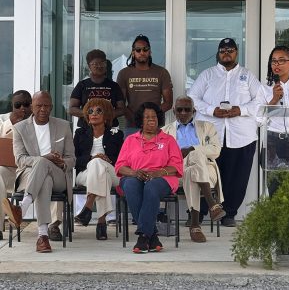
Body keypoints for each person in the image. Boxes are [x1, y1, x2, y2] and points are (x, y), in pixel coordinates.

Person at [188, 38, 261, 227]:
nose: (226, 53)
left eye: (230, 49)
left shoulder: (247, 76)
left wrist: (240, 110)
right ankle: (200, 212)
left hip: (242, 136)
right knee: (204, 173)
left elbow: (260, 101)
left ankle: (229, 213)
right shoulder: (208, 75)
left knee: (237, 176)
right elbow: (192, 98)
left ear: (236, 52)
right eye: (223, 50)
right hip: (211, 136)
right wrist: (212, 110)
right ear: (218, 54)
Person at [2, 91, 75, 253]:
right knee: (44, 178)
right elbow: (20, 159)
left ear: (52, 107)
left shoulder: (63, 126)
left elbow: (72, 159)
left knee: (45, 169)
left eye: (46, 106)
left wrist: (62, 162)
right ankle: (43, 236)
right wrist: (43, 158)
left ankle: (22, 208)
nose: (43, 109)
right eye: (39, 105)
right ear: (33, 107)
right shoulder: (20, 128)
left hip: (59, 176)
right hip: (31, 176)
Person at [115, 102, 183, 253]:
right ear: (141, 120)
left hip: (162, 179)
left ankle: (143, 235)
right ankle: (152, 236)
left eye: (154, 117)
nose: (151, 120)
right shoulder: (130, 140)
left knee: (151, 187)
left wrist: (158, 173)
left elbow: (177, 167)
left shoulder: (168, 140)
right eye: (147, 117)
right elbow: (120, 167)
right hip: (136, 176)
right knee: (130, 185)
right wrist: (135, 173)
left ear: (159, 119)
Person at [162, 96, 225, 242]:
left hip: (207, 169)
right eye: (179, 110)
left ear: (194, 111)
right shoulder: (164, 131)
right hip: (178, 170)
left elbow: (216, 150)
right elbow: (162, 156)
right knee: (191, 171)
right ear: (174, 111)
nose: (183, 113)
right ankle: (212, 206)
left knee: (194, 159)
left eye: (187, 110)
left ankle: (195, 224)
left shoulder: (207, 127)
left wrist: (192, 148)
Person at [74, 98, 123, 240]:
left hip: (112, 172)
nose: (93, 113)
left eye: (98, 111)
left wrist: (107, 160)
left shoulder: (117, 135)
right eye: (90, 111)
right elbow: (73, 159)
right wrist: (93, 159)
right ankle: (102, 222)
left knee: (100, 166)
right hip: (85, 174)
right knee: (98, 168)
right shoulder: (80, 134)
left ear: (106, 115)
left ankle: (88, 206)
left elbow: (122, 159)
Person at [256, 45, 289, 195]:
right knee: (275, 189)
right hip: (274, 142)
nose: (277, 64)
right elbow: (258, 120)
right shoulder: (264, 89)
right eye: (273, 61)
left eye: (281, 60)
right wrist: (274, 99)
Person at [117, 34, 173, 137]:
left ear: (150, 51)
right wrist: (137, 119)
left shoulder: (162, 72)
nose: (142, 52)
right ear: (133, 53)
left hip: (156, 126)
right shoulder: (124, 73)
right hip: (132, 126)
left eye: (145, 49)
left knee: (157, 153)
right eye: (138, 50)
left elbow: (168, 103)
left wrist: (150, 117)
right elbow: (121, 104)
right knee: (133, 153)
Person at [0, 90, 32, 241]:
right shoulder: (2, 120)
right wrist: (12, 125)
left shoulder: (38, 120)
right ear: (11, 105)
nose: (22, 109)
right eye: (18, 105)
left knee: (49, 174)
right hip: (8, 170)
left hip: (28, 171)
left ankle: (53, 226)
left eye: (26, 104)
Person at [69, 49, 125, 128]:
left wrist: (106, 115)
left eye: (102, 63)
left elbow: (122, 109)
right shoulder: (82, 85)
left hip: (110, 129)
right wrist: (91, 113)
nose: (99, 66)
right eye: (95, 64)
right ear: (89, 66)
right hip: (86, 129)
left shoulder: (114, 86)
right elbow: (72, 109)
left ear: (106, 65)